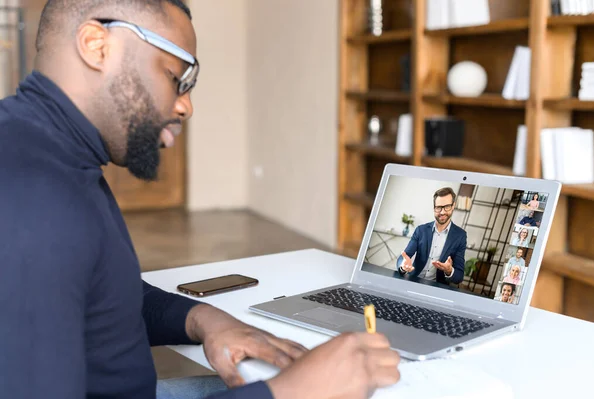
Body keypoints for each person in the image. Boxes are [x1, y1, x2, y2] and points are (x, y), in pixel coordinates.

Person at [0, 1, 401, 399]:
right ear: (96, 45)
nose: (185, 105)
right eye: (175, 76)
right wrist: (291, 392)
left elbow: (101, 295)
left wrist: (202, 319)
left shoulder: (48, 154)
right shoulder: (33, 198)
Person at [396, 187, 467, 285]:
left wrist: (449, 271)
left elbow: (459, 276)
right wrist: (403, 266)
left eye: (447, 206)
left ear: (453, 206)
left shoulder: (460, 236)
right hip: (414, 281)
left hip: (437, 288)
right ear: (434, 208)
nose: (442, 212)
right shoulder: (421, 230)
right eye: (438, 207)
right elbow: (405, 256)